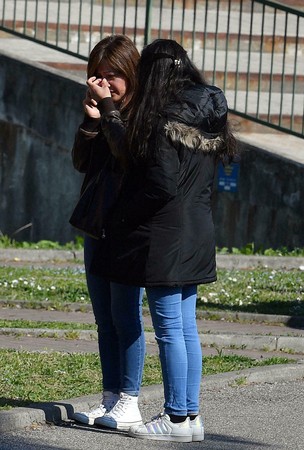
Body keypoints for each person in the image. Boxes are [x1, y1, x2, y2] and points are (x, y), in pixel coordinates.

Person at [90, 39, 238, 442]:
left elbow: (159, 184)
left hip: (166, 237)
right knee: (186, 328)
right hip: (198, 231)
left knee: (171, 329)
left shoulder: (161, 119)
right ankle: (190, 418)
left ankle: (174, 418)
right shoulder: (207, 113)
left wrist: (123, 216)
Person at [71, 35, 146, 430]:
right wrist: (90, 123)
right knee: (104, 318)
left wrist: (108, 111)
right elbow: (81, 163)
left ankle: (130, 399)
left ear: (132, 73)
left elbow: (127, 156)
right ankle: (111, 397)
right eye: (98, 76)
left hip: (127, 229)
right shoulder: (104, 111)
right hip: (96, 226)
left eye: (113, 75)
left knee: (125, 316)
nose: (106, 84)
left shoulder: (141, 114)